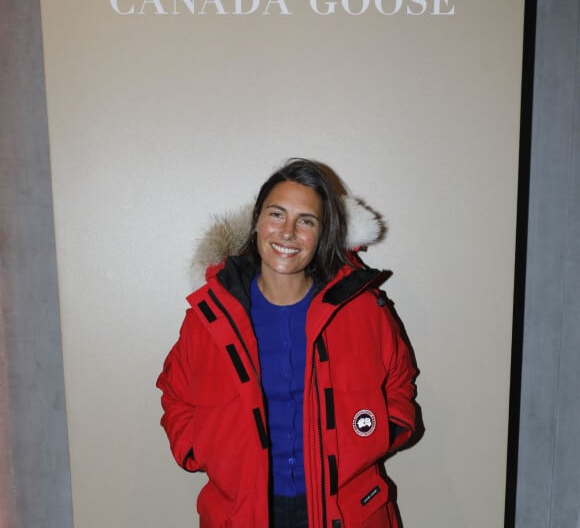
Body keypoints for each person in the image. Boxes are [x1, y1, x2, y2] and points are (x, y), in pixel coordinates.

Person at [157, 158, 418, 527]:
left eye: (306, 221)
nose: (288, 232)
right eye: (277, 214)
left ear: (322, 233)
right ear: (257, 223)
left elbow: (399, 379)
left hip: (348, 513)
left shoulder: (362, 308)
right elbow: (176, 393)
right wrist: (198, 447)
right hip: (243, 514)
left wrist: (382, 431)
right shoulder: (211, 317)